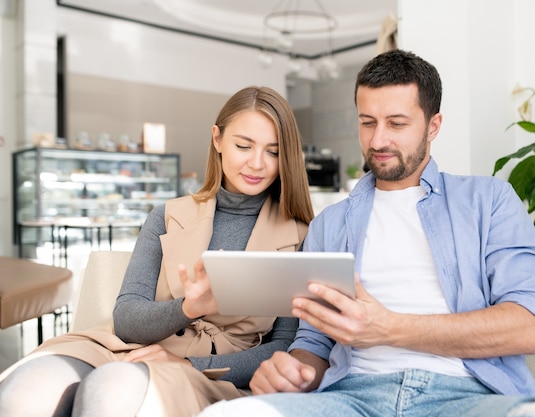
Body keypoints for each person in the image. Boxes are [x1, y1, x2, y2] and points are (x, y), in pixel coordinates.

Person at [197, 50, 535, 417]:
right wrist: (293, 373)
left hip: (468, 397)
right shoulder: (329, 224)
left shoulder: (488, 201)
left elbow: (532, 327)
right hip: (351, 398)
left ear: (433, 125)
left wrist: (389, 328)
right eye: (367, 122)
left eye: (397, 124)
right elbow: (314, 344)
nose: (378, 140)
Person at [0, 86, 314, 417]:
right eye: (243, 146)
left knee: (110, 390)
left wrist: (190, 363)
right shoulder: (167, 216)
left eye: (273, 152)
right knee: (22, 395)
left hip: (207, 374)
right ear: (217, 140)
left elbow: (285, 348)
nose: (257, 163)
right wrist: (189, 308)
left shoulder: (302, 236)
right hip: (119, 348)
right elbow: (125, 320)